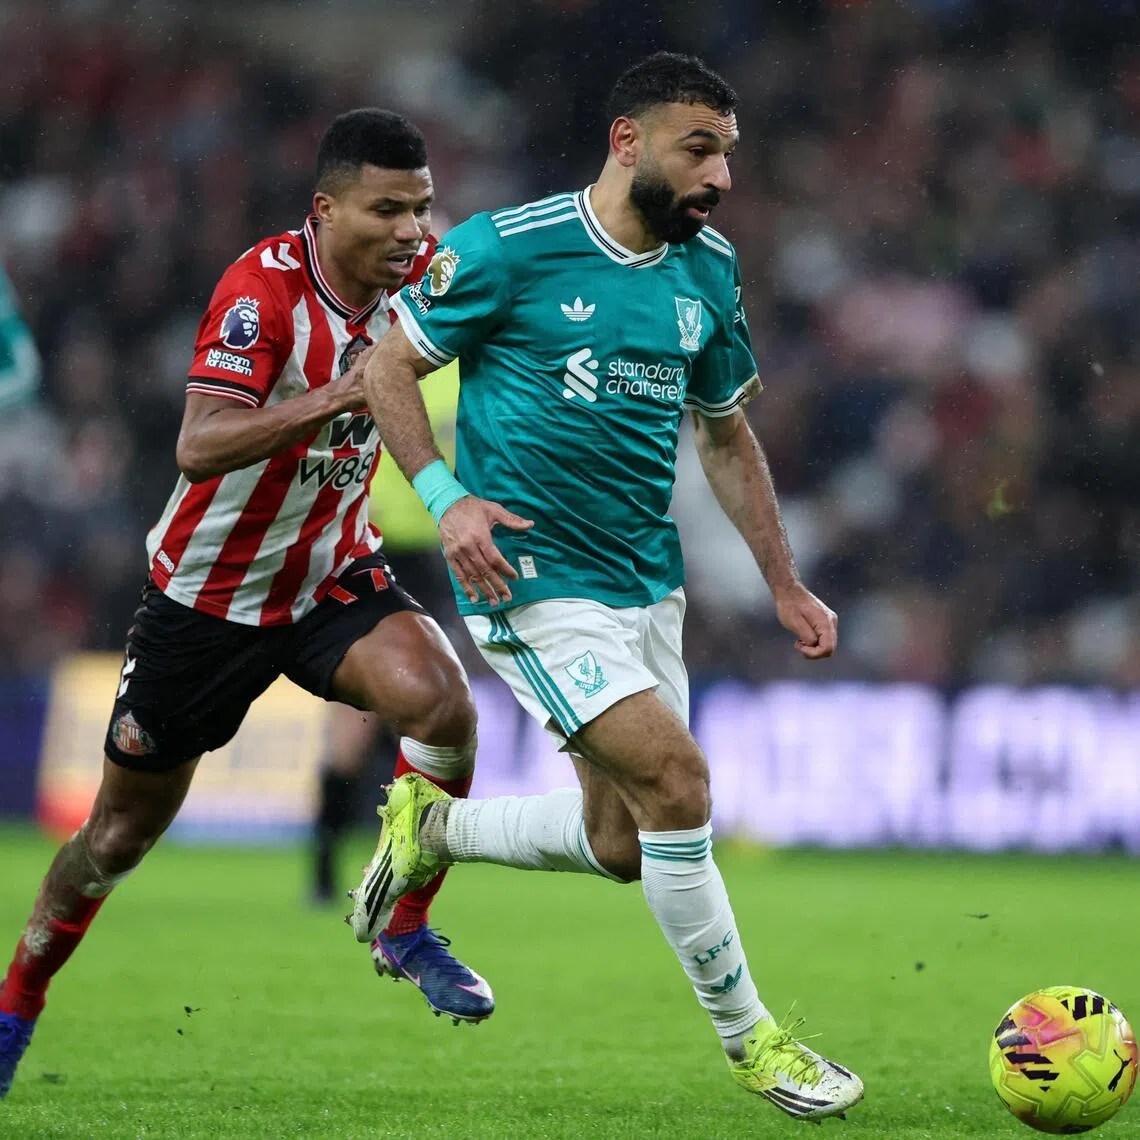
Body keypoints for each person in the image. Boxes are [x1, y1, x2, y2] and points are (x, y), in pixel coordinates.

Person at [350, 54, 864, 1122]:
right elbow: (385, 371)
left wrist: (785, 583)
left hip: (644, 586)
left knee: (625, 844)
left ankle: (431, 829)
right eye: (699, 148)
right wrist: (446, 499)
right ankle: (755, 1041)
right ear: (629, 143)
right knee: (678, 783)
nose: (721, 175)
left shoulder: (707, 272)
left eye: (729, 152)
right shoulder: (508, 248)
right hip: (529, 579)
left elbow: (725, 437)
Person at [0, 108, 494, 1102]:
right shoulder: (261, 290)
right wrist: (340, 395)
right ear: (326, 210)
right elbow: (199, 444)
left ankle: (402, 925)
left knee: (443, 705)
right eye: (388, 210)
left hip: (330, 576)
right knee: (114, 841)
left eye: (422, 208)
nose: (411, 230)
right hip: (206, 599)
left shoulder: (429, 281)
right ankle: (18, 1000)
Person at [312, 360, 461, 906]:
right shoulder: (382, 360)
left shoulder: (462, 365)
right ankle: (327, 869)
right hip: (370, 548)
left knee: (422, 718)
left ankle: (386, 867)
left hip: (435, 554)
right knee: (357, 721)